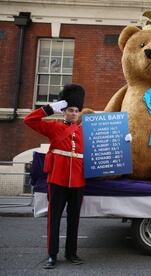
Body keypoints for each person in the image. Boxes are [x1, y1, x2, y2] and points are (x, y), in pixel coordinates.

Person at [24, 84, 86, 269]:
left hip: (77, 181)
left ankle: (71, 253)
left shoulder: (84, 132)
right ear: (64, 112)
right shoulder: (54, 128)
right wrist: (51, 108)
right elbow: (29, 120)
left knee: (74, 220)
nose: (74, 113)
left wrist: (123, 141)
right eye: (70, 110)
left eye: (76, 111)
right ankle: (52, 255)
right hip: (57, 180)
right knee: (54, 219)